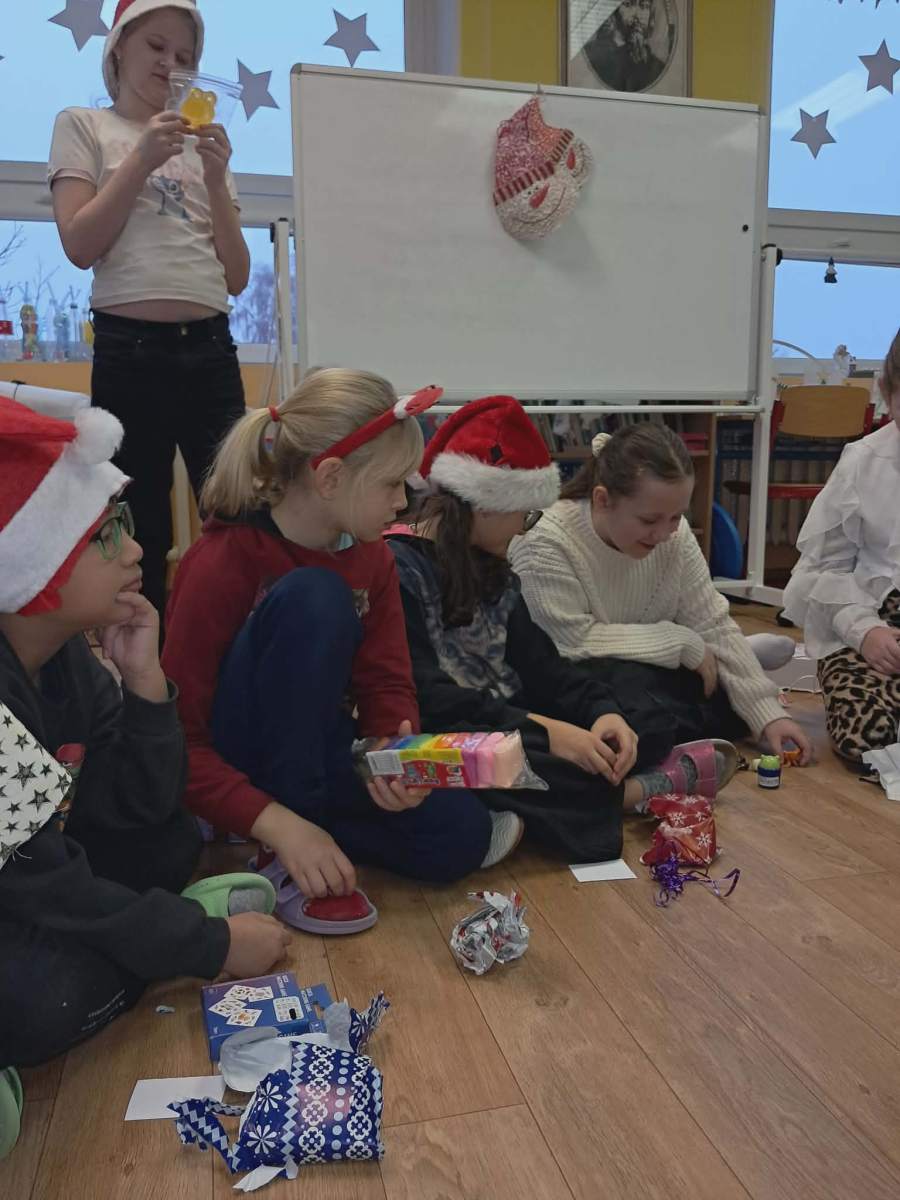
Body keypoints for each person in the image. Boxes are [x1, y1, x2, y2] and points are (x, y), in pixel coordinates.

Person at [0, 393, 287, 1085]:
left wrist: (144, 681)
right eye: (104, 536)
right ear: (31, 565)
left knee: (171, 841)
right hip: (25, 893)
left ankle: (145, 938)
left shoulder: (63, 656)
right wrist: (208, 945)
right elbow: (46, 889)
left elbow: (144, 805)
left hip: (32, 881)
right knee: (36, 1002)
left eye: (123, 524)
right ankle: (150, 943)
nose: (135, 549)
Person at [162, 369, 499, 921]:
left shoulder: (373, 556)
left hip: (315, 751)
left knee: (463, 833)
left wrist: (393, 758)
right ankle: (278, 836)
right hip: (237, 755)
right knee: (316, 596)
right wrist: (281, 821)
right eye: (392, 484)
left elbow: (387, 682)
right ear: (331, 477)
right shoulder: (222, 560)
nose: (403, 501)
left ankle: (293, 833)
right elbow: (180, 741)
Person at [389, 396, 739, 865]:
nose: (524, 529)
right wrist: (550, 733)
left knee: (633, 726)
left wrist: (601, 713)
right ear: (488, 505)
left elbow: (544, 666)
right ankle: (633, 792)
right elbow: (433, 702)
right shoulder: (401, 570)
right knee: (516, 763)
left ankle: (570, 799)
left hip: (511, 722)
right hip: (456, 734)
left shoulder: (490, 569)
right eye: (524, 515)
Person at [49, 0, 249, 624]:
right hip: (129, 348)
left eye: (185, 56)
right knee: (140, 525)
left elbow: (237, 276)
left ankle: (228, 652)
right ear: (118, 50)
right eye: (156, 47)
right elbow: (79, 244)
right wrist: (140, 158)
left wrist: (215, 178)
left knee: (236, 515)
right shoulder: (84, 124)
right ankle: (145, 664)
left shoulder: (204, 147)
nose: (170, 63)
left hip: (211, 344)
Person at [510, 423, 812, 763]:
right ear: (602, 500)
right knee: (636, 716)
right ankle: (734, 661)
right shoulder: (545, 541)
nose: (665, 532)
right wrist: (681, 642)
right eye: (649, 520)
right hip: (585, 673)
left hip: (651, 667)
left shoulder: (674, 535)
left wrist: (768, 714)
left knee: (718, 702)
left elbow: (712, 623)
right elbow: (567, 644)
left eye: (676, 517)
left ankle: (736, 662)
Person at [783, 330, 900, 763]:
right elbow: (823, 569)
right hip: (872, 623)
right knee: (866, 737)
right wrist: (863, 630)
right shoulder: (863, 462)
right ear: (886, 392)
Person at [582, 0, 669, 93]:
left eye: (644, 6)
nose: (637, 15)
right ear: (613, 13)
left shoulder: (657, 68)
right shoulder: (595, 58)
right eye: (628, 4)